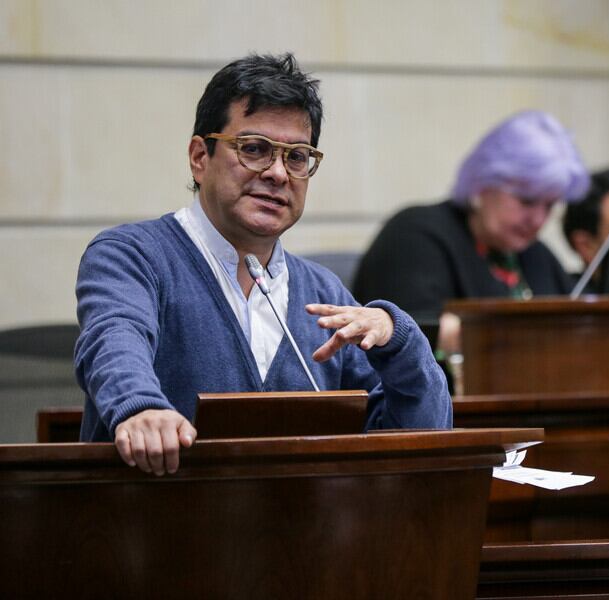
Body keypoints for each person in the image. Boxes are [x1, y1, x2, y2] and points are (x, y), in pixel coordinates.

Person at [75, 53, 452, 476]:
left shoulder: (323, 293)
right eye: (254, 149)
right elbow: (114, 340)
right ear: (200, 157)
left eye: (297, 157)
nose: (278, 173)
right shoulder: (131, 255)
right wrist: (140, 407)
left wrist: (400, 341)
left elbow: (420, 440)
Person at [352, 110, 589, 355]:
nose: (538, 219)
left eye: (549, 205)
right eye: (526, 200)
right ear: (482, 184)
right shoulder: (413, 235)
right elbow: (409, 333)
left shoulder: (535, 253)